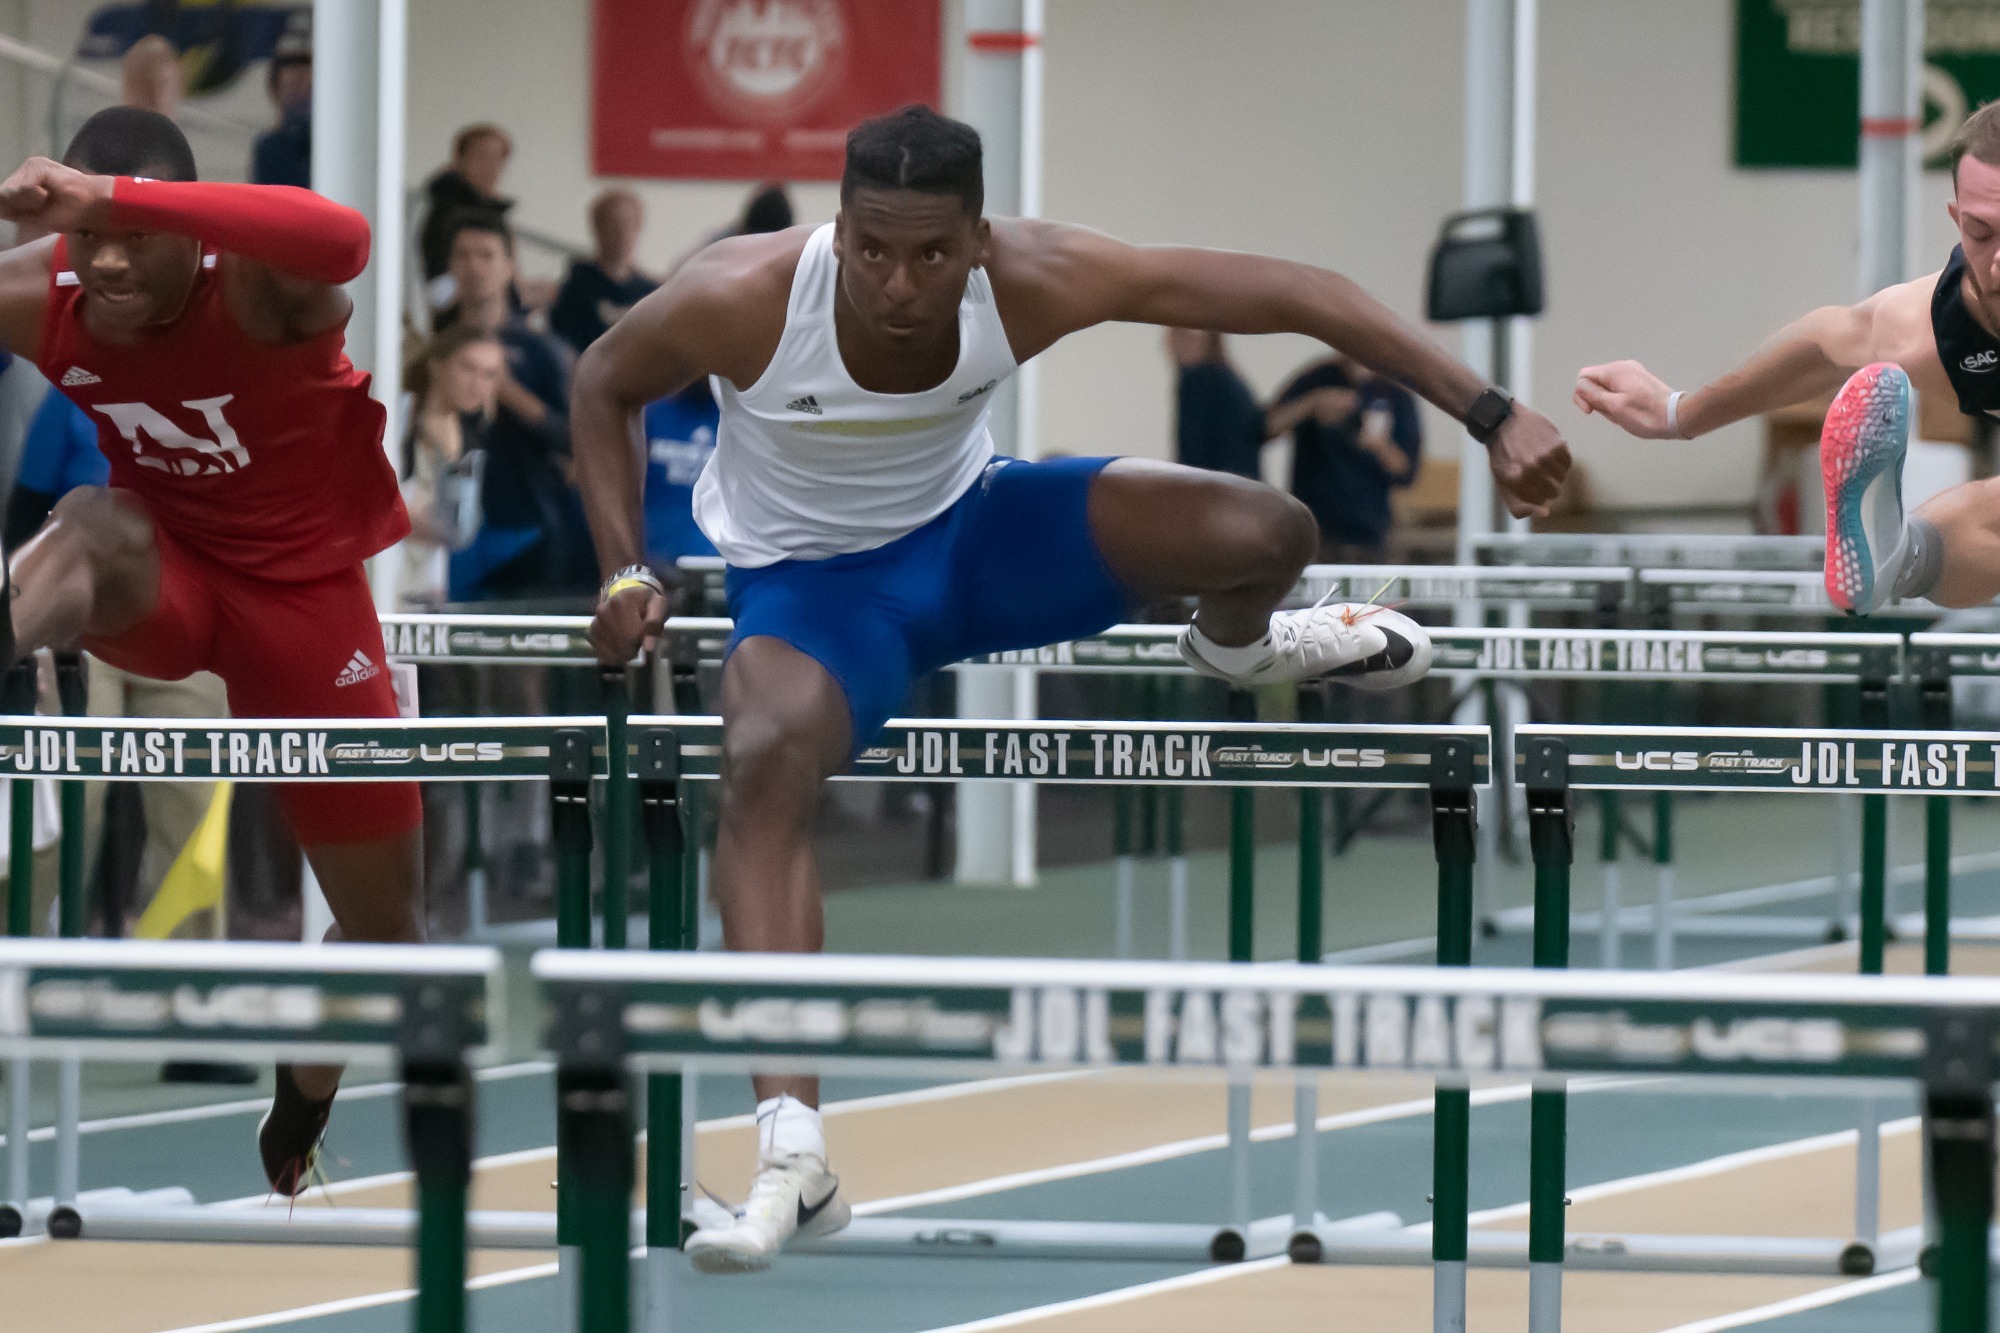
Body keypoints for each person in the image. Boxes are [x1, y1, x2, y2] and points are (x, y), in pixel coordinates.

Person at [572, 105, 1569, 1272]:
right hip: (817, 596)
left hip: (982, 540)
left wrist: (1491, 415)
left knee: (1267, 525)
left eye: (932, 256)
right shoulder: (740, 293)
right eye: (874, 251)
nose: (900, 285)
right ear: (838, 232)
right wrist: (624, 569)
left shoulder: (1038, 276)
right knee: (761, 753)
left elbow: (1298, 290)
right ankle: (794, 1153)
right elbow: (601, 382)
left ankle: (1237, 648)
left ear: (981, 243)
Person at [0, 106, 422, 1194]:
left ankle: (301, 1100)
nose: (107, 263)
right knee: (90, 519)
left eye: (132, 234)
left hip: (305, 606)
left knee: (386, 927)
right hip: (166, 577)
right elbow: (67, 258)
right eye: (87, 239)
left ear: (187, 227)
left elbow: (345, 242)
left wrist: (113, 202)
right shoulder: (45, 295)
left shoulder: (262, 284)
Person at [1573, 100, 2000, 614]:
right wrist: (1677, 413)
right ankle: (1899, 555)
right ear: (1956, 220)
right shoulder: (1933, 329)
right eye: (1981, 233)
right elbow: (1825, 343)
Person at [437, 215, 591, 597]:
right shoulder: (434, 343)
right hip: (442, 531)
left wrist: (508, 392)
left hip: (526, 531)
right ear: (451, 266)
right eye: (463, 255)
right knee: (438, 656)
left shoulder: (542, 351)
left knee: (521, 651)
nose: (474, 266)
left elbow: (574, 439)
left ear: (509, 267)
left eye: (486, 255)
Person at [1270, 354, 1421, 562]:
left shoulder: (1394, 392)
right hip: (1313, 527)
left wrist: (1381, 445)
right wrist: (1312, 404)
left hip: (1369, 530)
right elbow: (1267, 428)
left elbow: (1406, 473)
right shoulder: (1316, 379)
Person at [400, 324, 503, 606]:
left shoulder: (473, 436)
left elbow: (461, 527)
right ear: (438, 365)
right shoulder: (398, 414)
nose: (477, 384)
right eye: (467, 368)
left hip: (426, 585)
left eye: (489, 374)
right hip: (382, 572)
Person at [550, 188, 656, 356]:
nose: (622, 233)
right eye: (614, 224)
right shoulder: (576, 288)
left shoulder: (651, 292)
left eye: (629, 224)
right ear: (597, 227)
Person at [417, 124, 513, 296]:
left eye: (496, 158)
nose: (489, 166)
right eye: (481, 156)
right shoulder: (447, 209)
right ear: (459, 160)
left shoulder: (496, 213)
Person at [1165, 328, 1262, 479]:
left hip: (1215, 493)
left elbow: (1192, 459)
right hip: (1240, 492)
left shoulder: (1199, 380)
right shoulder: (1230, 380)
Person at [250, 51, 312, 189]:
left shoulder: (323, 143)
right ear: (275, 92)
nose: (301, 95)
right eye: (292, 87)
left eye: (307, 88)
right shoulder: (270, 147)